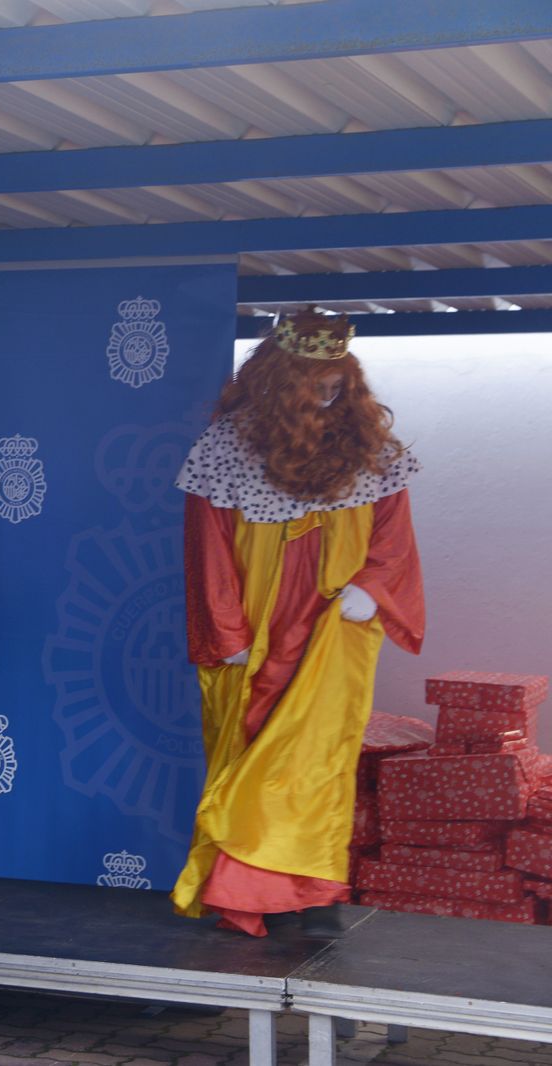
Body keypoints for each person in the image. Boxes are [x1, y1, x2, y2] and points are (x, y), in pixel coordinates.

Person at [171, 311, 424, 938]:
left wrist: (371, 587)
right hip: (256, 629)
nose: (326, 395)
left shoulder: (374, 452)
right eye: (312, 383)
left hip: (336, 627)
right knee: (249, 748)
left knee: (317, 758)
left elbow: (394, 538)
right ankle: (246, 891)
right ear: (277, 380)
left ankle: (307, 887)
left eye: (336, 383)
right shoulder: (224, 449)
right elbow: (208, 552)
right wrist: (225, 633)